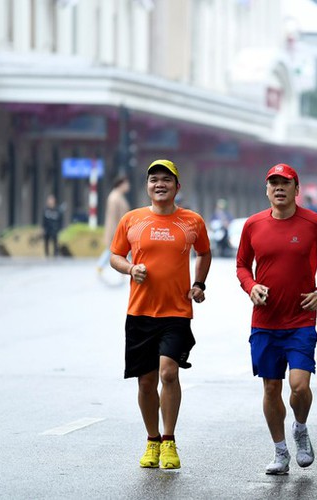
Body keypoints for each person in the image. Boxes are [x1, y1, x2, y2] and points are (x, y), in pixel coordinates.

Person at [236, 163, 317, 475]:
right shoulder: (253, 225)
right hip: (264, 321)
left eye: (286, 183)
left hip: (301, 319)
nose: (279, 188)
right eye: (273, 183)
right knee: (271, 387)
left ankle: (300, 427)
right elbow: (242, 265)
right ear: (267, 190)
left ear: (297, 189)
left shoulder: (314, 223)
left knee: (298, 385)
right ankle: (280, 451)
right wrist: (251, 286)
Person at [110, 159, 211, 470]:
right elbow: (115, 255)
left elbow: (204, 253)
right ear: (147, 187)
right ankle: (152, 440)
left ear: (177, 187)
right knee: (145, 381)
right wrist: (130, 268)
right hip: (140, 312)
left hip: (177, 312)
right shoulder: (132, 220)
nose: (160, 184)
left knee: (169, 372)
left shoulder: (192, 222)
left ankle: (169, 441)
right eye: (154, 179)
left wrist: (198, 283)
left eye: (166, 179)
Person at [96, 175, 131, 274]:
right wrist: (115, 232)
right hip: (116, 230)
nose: (128, 186)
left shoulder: (118, 196)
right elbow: (112, 217)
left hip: (120, 229)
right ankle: (100, 266)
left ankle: (101, 266)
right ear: (121, 184)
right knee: (111, 250)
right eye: (126, 184)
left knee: (112, 250)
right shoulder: (114, 197)